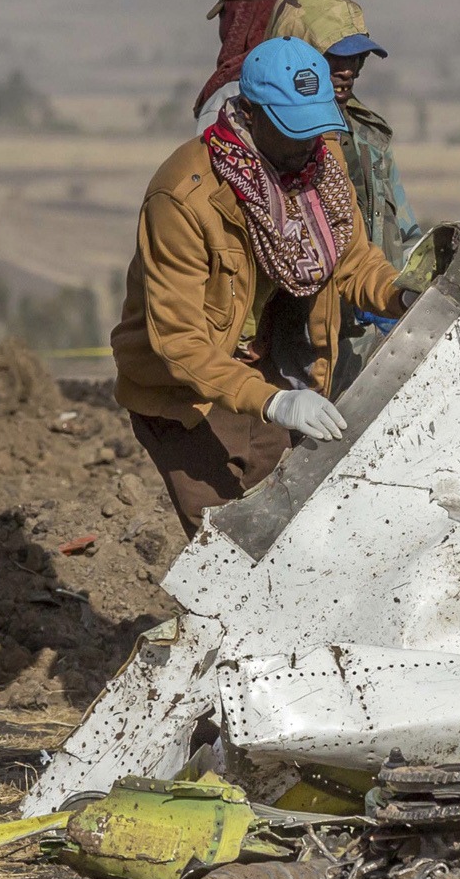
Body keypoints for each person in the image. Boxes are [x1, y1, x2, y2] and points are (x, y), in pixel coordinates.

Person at [113, 37, 411, 536]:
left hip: (262, 368)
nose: (306, 145)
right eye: (292, 130)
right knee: (224, 547)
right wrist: (275, 402)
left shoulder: (319, 167)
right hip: (185, 394)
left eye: (315, 129)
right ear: (250, 115)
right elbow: (179, 342)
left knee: (285, 530)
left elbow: (353, 261)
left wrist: (403, 295)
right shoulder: (184, 197)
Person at [264, 0, 425, 389]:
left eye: (357, 59)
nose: (348, 70)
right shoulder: (268, 141)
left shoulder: (367, 134)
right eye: (333, 58)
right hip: (296, 344)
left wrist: (406, 290)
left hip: (371, 336)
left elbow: (401, 230)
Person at [194, 0, 302, 126]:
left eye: (225, 15)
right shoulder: (315, 82)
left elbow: (210, 152)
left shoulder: (231, 97)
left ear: (238, 19)